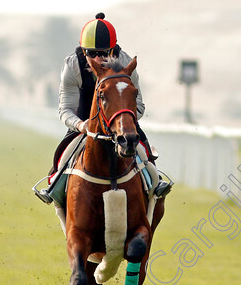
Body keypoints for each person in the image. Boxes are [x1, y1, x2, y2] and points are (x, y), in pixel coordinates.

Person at [35, 13, 170, 214]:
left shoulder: (125, 63)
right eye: (92, 53)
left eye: (104, 53)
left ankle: (155, 180)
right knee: (63, 151)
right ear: (83, 51)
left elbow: (139, 106)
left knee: (143, 148)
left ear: (113, 50)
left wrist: (121, 122)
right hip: (85, 117)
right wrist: (82, 125)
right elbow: (65, 110)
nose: (98, 59)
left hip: (119, 116)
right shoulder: (73, 66)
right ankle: (55, 184)